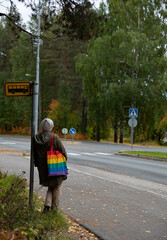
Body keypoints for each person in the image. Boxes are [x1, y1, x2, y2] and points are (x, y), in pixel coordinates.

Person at [34, 118, 67, 213]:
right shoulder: (54, 138)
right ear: (51, 127)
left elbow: (35, 155)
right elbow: (63, 152)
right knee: (57, 186)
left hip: (43, 169)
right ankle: (54, 210)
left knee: (51, 186)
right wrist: (62, 161)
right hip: (54, 166)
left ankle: (47, 206)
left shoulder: (36, 138)